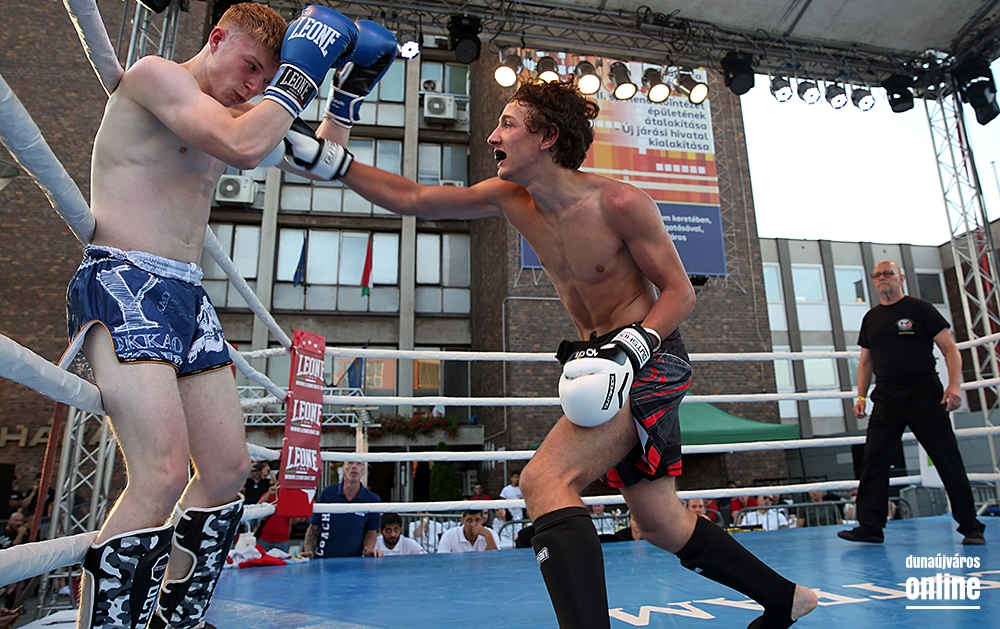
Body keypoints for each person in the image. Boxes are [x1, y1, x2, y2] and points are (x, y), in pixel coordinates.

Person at [323, 80, 817, 628]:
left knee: (543, 480)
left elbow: (681, 293)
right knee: (660, 523)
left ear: (547, 137)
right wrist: (335, 162)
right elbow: (415, 199)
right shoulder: (510, 199)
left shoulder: (619, 203)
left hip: (650, 356)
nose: (492, 136)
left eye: (508, 124)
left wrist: (635, 345)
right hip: (599, 359)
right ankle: (785, 597)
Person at [65, 0, 364, 629]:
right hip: (125, 277)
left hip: (188, 294)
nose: (255, 86)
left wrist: (345, 96)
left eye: (268, 78)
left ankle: (177, 618)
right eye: (251, 67)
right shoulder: (156, 77)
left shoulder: (235, 114)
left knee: (228, 471)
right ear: (217, 37)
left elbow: (320, 161)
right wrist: (298, 78)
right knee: (162, 474)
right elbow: (243, 146)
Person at [839, 261, 987, 546]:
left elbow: (949, 348)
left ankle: (971, 527)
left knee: (947, 458)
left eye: (888, 273)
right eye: (877, 275)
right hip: (886, 397)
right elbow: (865, 362)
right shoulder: (871, 318)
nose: (883, 278)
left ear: (901, 277)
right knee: (874, 460)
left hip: (924, 394)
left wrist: (954, 386)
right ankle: (870, 527)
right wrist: (860, 396)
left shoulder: (921, 309)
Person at [303, 461, 381, 558]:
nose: (354, 466)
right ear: (343, 468)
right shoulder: (327, 494)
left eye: (359, 463)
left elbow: (371, 532)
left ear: (364, 470)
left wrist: (368, 549)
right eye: (350, 463)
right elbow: (314, 527)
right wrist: (308, 551)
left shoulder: (372, 499)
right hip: (324, 558)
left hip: (354, 561)